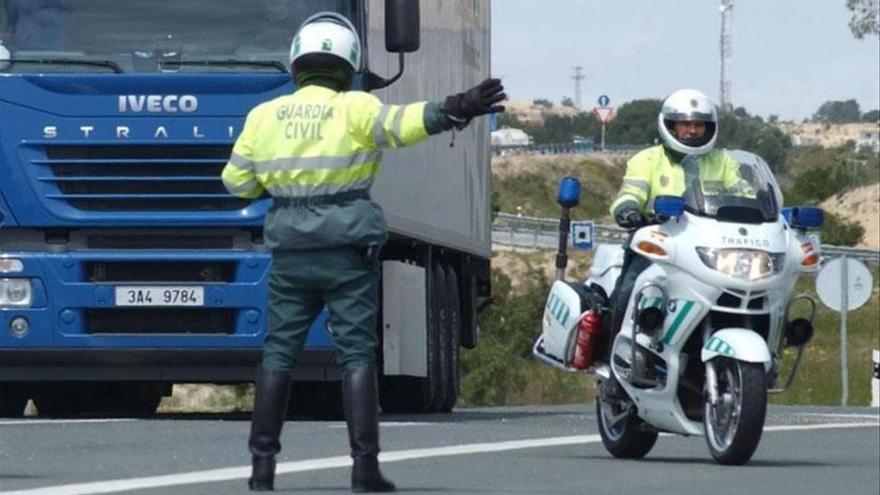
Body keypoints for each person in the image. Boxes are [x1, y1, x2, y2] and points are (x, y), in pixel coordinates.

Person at [220, 12, 505, 493]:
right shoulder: (356, 108)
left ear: (297, 63)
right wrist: (461, 105)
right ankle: (364, 468)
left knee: (279, 354)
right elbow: (408, 123)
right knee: (356, 353)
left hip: (290, 250)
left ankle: (261, 470)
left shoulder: (263, 116)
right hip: (347, 249)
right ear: (347, 63)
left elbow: (237, 183)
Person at [600, 88, 745, 398]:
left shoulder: (722, 162)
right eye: (685, 124)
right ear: (670, 125)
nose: (693, 130)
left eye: (699, 124)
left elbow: (745, 193)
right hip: (659, 244)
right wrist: (627, 209)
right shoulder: (648, 160)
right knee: (628, 291)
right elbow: (630, 192)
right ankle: (615, 371)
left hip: (708, 248)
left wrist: (761, 205)